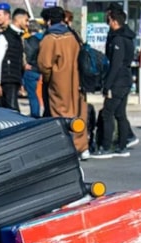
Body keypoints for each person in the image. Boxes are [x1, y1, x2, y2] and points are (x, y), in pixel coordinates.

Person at [37, 7, 89, 155]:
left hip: (58, 83)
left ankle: (65, 149)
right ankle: (81, 147)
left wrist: (49, 79)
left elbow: (44, 65)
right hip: (78, 81)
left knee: (60, 116)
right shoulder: (74, 36)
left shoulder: (50, 39)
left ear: (48, 21)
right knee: (78, 114)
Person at [91, 9, 135, 159]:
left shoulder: (118, 40)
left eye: (109, 20)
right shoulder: (128, 37)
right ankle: (122, 146)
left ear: (115, 21)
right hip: (126, 79)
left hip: (118, 81)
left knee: (107, 113)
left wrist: (107, 85)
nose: (107, 23)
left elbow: (115, 65)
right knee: (120, 113)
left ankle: (106, 147)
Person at [0, 7, 28, 112]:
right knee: (12, 111)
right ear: (18, 19)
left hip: (14, 79)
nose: (27, 24)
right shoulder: (4, 36)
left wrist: (20, 81)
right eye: (26, 20)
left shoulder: (18, 37)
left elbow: (19, 61)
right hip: (6, 80)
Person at [22, 20, 43, 118]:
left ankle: (35, 115)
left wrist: (25, 64)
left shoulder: (27, 41)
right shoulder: (46, 39)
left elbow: (26, 55)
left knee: (33, 95)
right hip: (44, 70)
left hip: (32, 70)